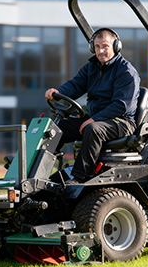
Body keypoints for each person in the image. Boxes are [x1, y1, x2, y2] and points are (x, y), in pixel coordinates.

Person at [45, 28, 140, 183]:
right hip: (96, 119)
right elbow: (76, 85)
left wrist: (94, 119)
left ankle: (79, 177)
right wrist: (58, 91)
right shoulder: (91, 67)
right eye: (97, 47)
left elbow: (121, 106)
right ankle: (36, 172)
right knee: (56, 127)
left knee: (92, 129)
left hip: (121, 122)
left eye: (105, 46)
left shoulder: (126, 72)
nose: (100, 51)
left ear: (116, 46)